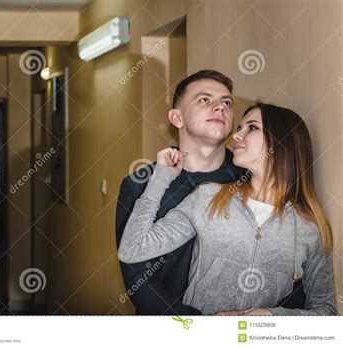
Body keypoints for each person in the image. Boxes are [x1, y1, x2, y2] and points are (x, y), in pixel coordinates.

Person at [118, 103, 337, 315]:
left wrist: (271, 316)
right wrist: (160, 178)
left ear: (281, 142)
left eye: (252, 127)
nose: (236, 136)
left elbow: (326, 311)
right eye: (239, 127)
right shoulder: (208, 198)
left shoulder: (309, 227)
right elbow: (132, 249)